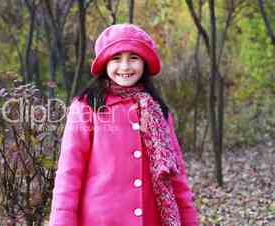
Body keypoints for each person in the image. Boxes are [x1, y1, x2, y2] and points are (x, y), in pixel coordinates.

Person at [48, 24, 199, 226]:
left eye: (133, 58)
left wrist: (189, 221)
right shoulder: (86, 107)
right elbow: (69, 172)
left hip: (151, 220)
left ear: (144, 63)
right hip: (99, 220)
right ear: (104, 64)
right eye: (116, 58)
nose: (125, 67)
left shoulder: (157, 110)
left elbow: (176, 176)